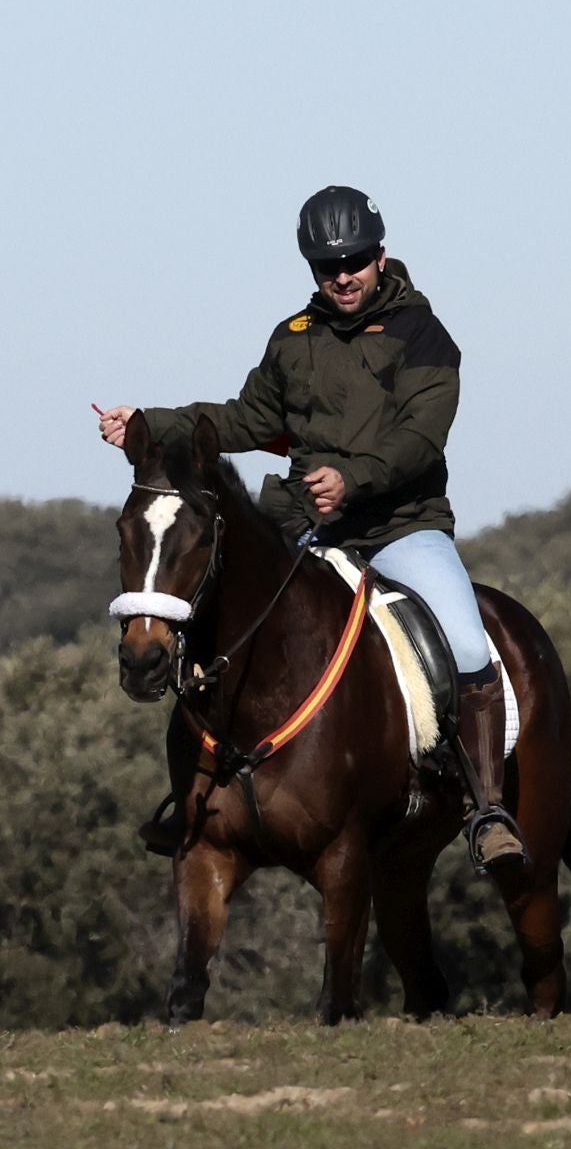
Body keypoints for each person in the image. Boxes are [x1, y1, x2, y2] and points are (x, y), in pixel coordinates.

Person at [99, 186, 529, 867]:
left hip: (402, 527)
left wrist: (353, 479)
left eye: (355, 261)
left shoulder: (425, 337)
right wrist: (150, 421)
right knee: (218, 628)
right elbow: (245, 419)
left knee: (469, 647)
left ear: (380, 256)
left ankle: (488, 811)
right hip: (308, 528)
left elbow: (421, 437)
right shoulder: (292, 339)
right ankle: (191, 796)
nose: (343, 276)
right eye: (327, 266)